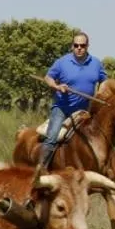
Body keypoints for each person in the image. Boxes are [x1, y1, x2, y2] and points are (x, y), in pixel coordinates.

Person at [34, 31, 107, 180]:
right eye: (76, 45)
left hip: (85, 111)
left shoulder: (96, 63)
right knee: (53, 136)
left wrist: (101, 94)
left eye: (82, 45)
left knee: (101, 135)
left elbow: (104, 81)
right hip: (63, 109)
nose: (79, 48)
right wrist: (57, 86)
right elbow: (48, 78)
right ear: (72, 47)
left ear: (87, 46)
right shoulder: (62, 62)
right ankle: (40, 171)